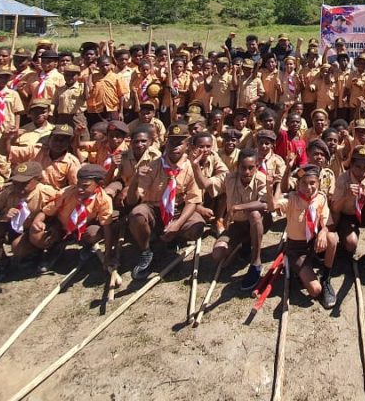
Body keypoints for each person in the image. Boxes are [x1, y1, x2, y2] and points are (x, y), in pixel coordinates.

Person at [125, 123, 205, 280]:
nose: (175, 146)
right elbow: (132, 201)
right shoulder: (153, 166)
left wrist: (178, 224)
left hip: (177, 210)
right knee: (136, 214)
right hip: (155, 210)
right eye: (172, 141)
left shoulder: (191, 167)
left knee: (197, 227)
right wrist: (135, 180)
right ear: (166, 143)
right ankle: (146, 249)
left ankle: (174, 239)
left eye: (180, 142)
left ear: (187, 144)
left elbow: (192, 201)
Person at [267, 163, 338, 308]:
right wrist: (269, 188)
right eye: (304, 183)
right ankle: (296, 268)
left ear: (318, 183)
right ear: (298, 184)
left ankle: (326, 279)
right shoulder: (292, 199)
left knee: (332, 237)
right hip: (296, 249)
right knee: (315, 291)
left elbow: (326, 222)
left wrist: (323, 232)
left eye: (312, 183)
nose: (308, 187)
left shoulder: (321, 198)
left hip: (312, 244)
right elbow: (272, 206)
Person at [26, 163, 114, 273]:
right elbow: (47, 211)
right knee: (37, 234)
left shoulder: (104, 200)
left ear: (99, 184)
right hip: (61, 226)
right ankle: (54, 248)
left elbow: (106, 226)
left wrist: (108, 255)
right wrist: (37, 221)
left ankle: (87, 245)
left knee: (94, 233)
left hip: (82, 228)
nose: (80, 189)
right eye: (78, 184)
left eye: (85, 186)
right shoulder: (67, 192)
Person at [0, 160, 60, 281]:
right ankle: (3, 261)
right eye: (16, 182)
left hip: (37, 230)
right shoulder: (8, 192)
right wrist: (2, 216)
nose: (18, 186)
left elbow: (61, 214)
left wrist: (49, 226)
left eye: (24, 183)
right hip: (16, 229)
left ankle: (49, 251)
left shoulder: (46, 192)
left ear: (37, 179)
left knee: (19, 247)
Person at [213, 148, 270, 290]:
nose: (246, 172)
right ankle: (244, 243)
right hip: (237, 224)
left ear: (257, 167)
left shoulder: (261, 179)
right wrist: (195, 166)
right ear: (237, 167)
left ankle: (256, 261)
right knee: (218, 254)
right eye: (243, 168)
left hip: (259, 222)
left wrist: (237, 207)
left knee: (254, 214)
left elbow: (264, 203)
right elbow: (207, 185)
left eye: (251, 168)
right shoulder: (229, 178)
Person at [331, 144, 365, 268]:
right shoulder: (342, 179)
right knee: (351, 244)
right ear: (351, 165)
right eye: (357, 167)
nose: (362, 171)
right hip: (348, 216)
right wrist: (346, 195)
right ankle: (343, 242)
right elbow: (334, 208)